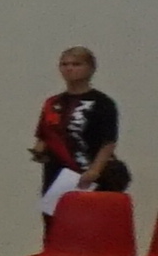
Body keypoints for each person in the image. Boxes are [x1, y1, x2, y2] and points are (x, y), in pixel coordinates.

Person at [39, 48, 120, 209]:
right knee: (55, 220)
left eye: (76, 64)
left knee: (89, 219)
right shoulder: (53, 103)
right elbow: (43, 135)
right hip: (57, 175)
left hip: (88, 173)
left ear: (90, 68)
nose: (69, 68)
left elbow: (109, 141)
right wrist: (40, 151)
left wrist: (95, 171)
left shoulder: (102, 103)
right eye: (64, 64)